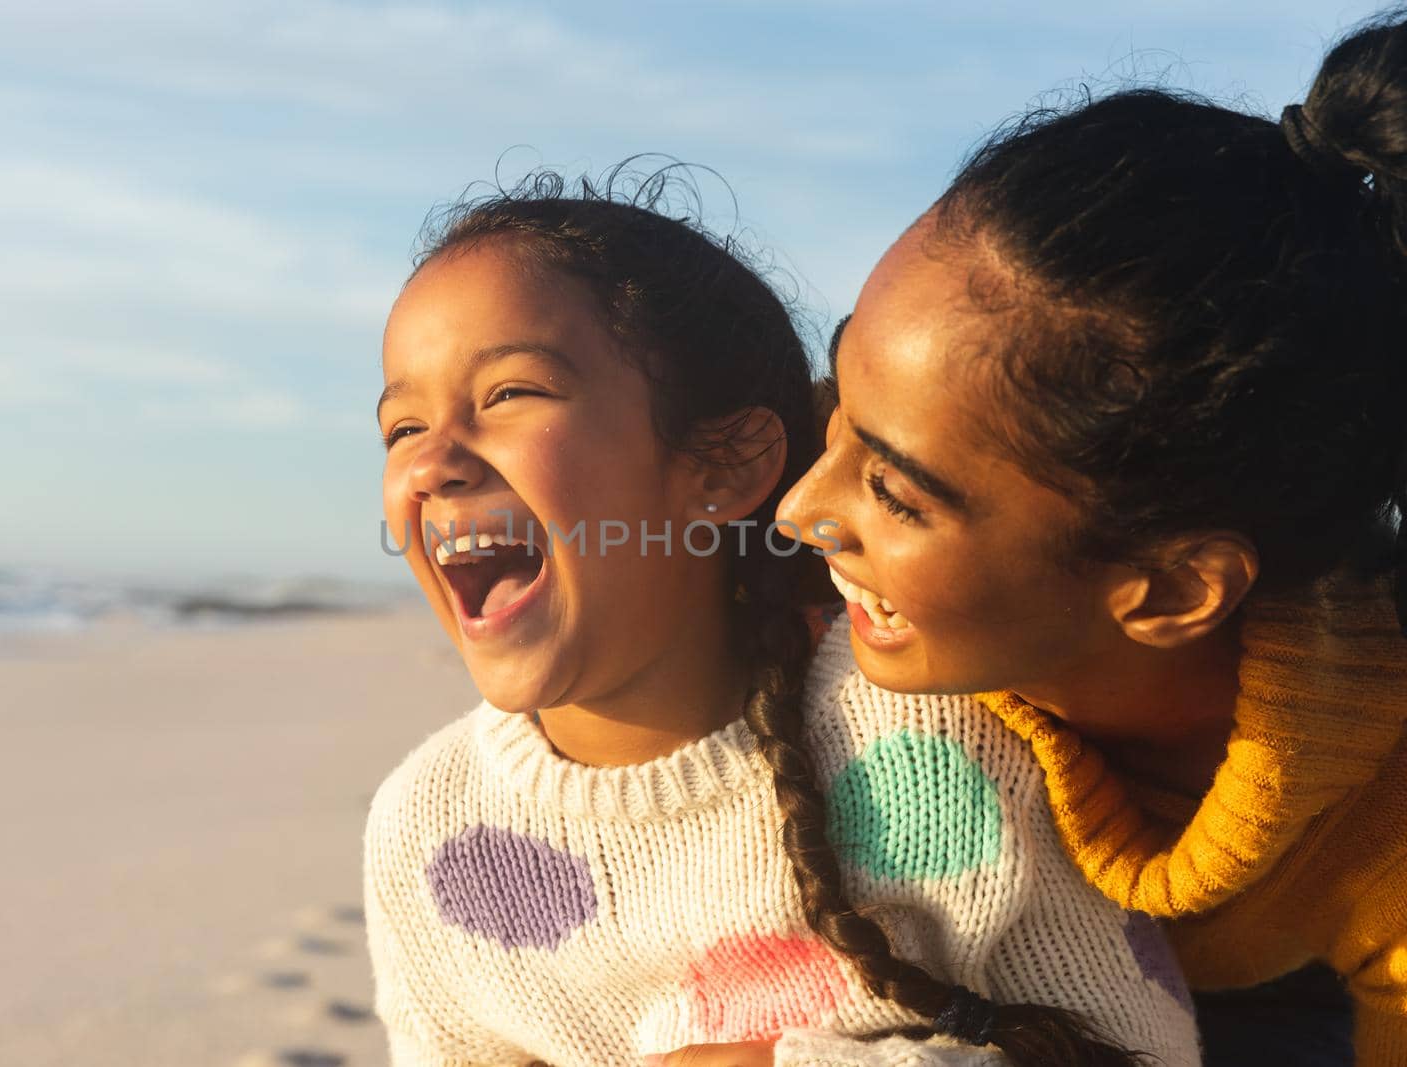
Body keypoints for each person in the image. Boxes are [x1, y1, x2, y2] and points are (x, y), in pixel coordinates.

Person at [364, 168, 1200, 1066]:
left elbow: (1139, 1047)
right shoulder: (425, 826)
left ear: (724, 465)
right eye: (401, 428)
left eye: (508, 395)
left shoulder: (942, 728)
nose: (433, 462)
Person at [776, 12, 1407, 1067]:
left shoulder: (1382, 824)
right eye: (835, 407)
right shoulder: (777, 602)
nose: (799, 509)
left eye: (892, 492)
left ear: (1167, 590)